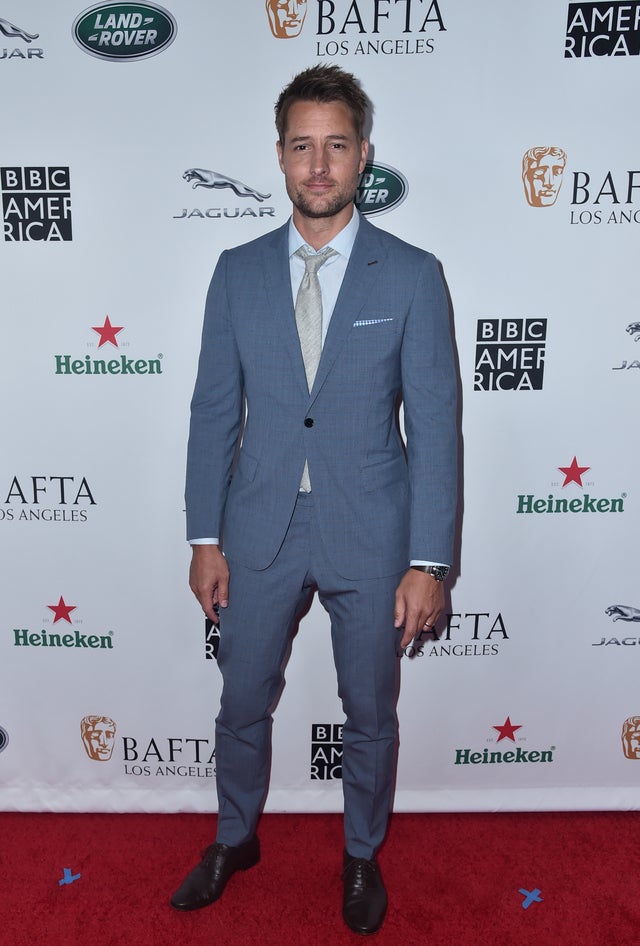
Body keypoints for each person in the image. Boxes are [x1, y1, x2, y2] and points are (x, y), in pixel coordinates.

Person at [171, 64, 458, 935]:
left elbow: (437, 426)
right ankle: (235, 837)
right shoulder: (237, 271)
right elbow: (214, 410)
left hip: (373, 532)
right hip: (258, 527)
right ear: (282, 157)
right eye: (304, 146)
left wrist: (429, 561)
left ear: (364, 155)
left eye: (337, 145)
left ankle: (362, 854)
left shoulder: (411, 274)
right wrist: (204, 536)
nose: (320, 164)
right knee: (240, 700)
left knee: (370, 711)